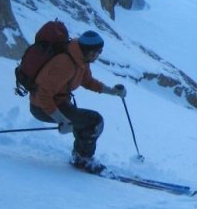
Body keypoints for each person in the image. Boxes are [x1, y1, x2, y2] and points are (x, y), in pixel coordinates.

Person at [29, 30, 126, 172]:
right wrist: (61, 119)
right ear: (87, 50)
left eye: (100, 51)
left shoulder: (81, 59)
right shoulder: (65, 64)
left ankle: (80, 156)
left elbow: (86, 80)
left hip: (58, 103)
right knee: (93, 121)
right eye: (96, 52)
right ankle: (83, 159)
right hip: (42, 107)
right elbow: (43, 95)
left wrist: (111, 91)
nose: (97, 55)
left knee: (86, 121)